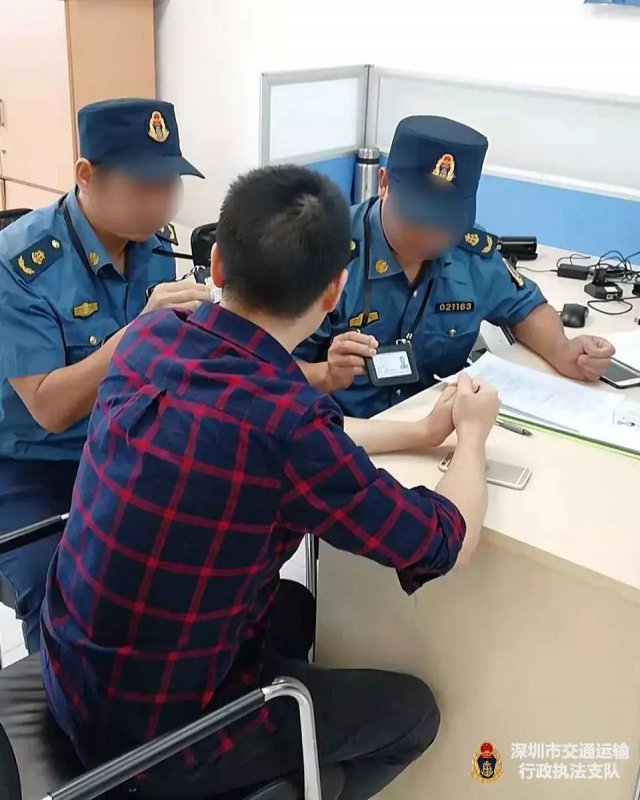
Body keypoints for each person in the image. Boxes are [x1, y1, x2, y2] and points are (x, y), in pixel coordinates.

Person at [41, 165, 500, 800]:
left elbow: (293, 439)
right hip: (155, 745)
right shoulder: (287, 425)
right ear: (335, 290)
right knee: (414, 713)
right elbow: (444, 541)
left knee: (299, 611)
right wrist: (471, 436)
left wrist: (421, 432)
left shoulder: (152, 336)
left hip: (73, 670)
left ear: (217, 264)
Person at [0, 98, 211, 653]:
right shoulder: (19, 265)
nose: (161, 203)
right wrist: (137, 333)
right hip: (31, 466)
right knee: (58, 586)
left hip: (125, 436)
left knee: (205, 539)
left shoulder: (153, 243)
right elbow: (49, 408)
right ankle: (63, 698)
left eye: (170, 184)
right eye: (144, 186)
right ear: (86, 176)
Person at [295, 115, 615, 418]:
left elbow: (526, 309)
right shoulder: (325, 254)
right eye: (417, 217)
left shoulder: (469, 255)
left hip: (441, 428)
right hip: (344, 435)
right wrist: (327, 374)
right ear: (384, 183)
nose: (430, 236)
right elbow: (271, 369)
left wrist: (563, 352)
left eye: (445, 222)